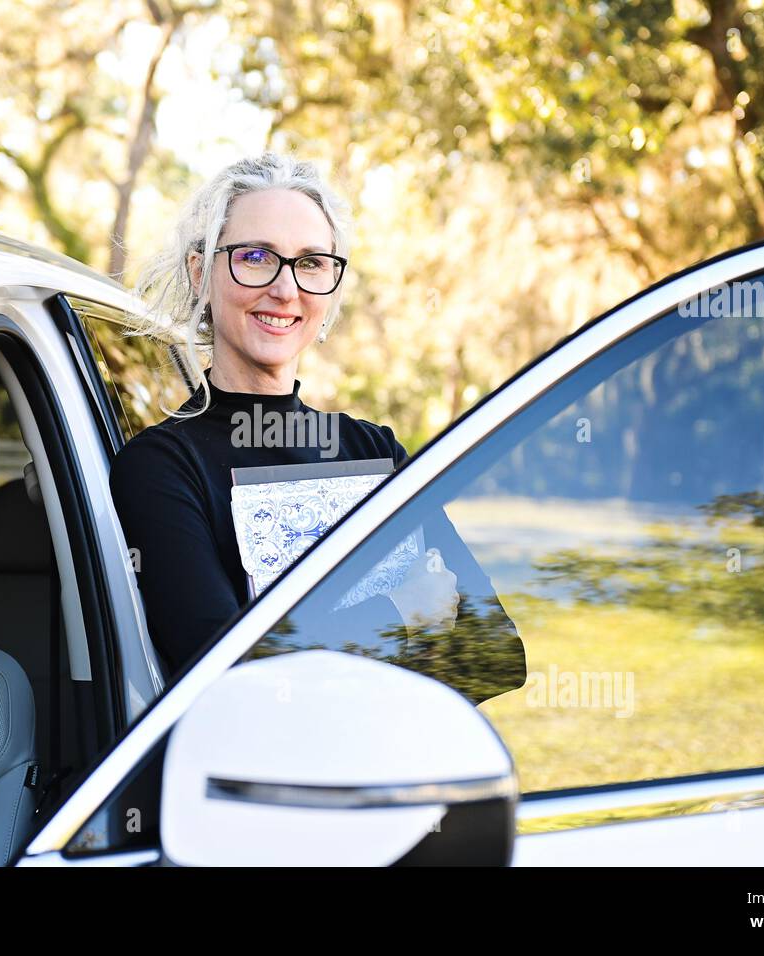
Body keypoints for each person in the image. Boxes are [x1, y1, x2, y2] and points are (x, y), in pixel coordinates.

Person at [110, 151, 523, 687]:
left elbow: (496, 655)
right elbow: (222, 675)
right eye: (256, 256)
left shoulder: (373, 452)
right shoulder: (162, 467)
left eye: (310, 263)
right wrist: (401, 614)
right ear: (200, 272)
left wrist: (303, 647)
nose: (285, 290)